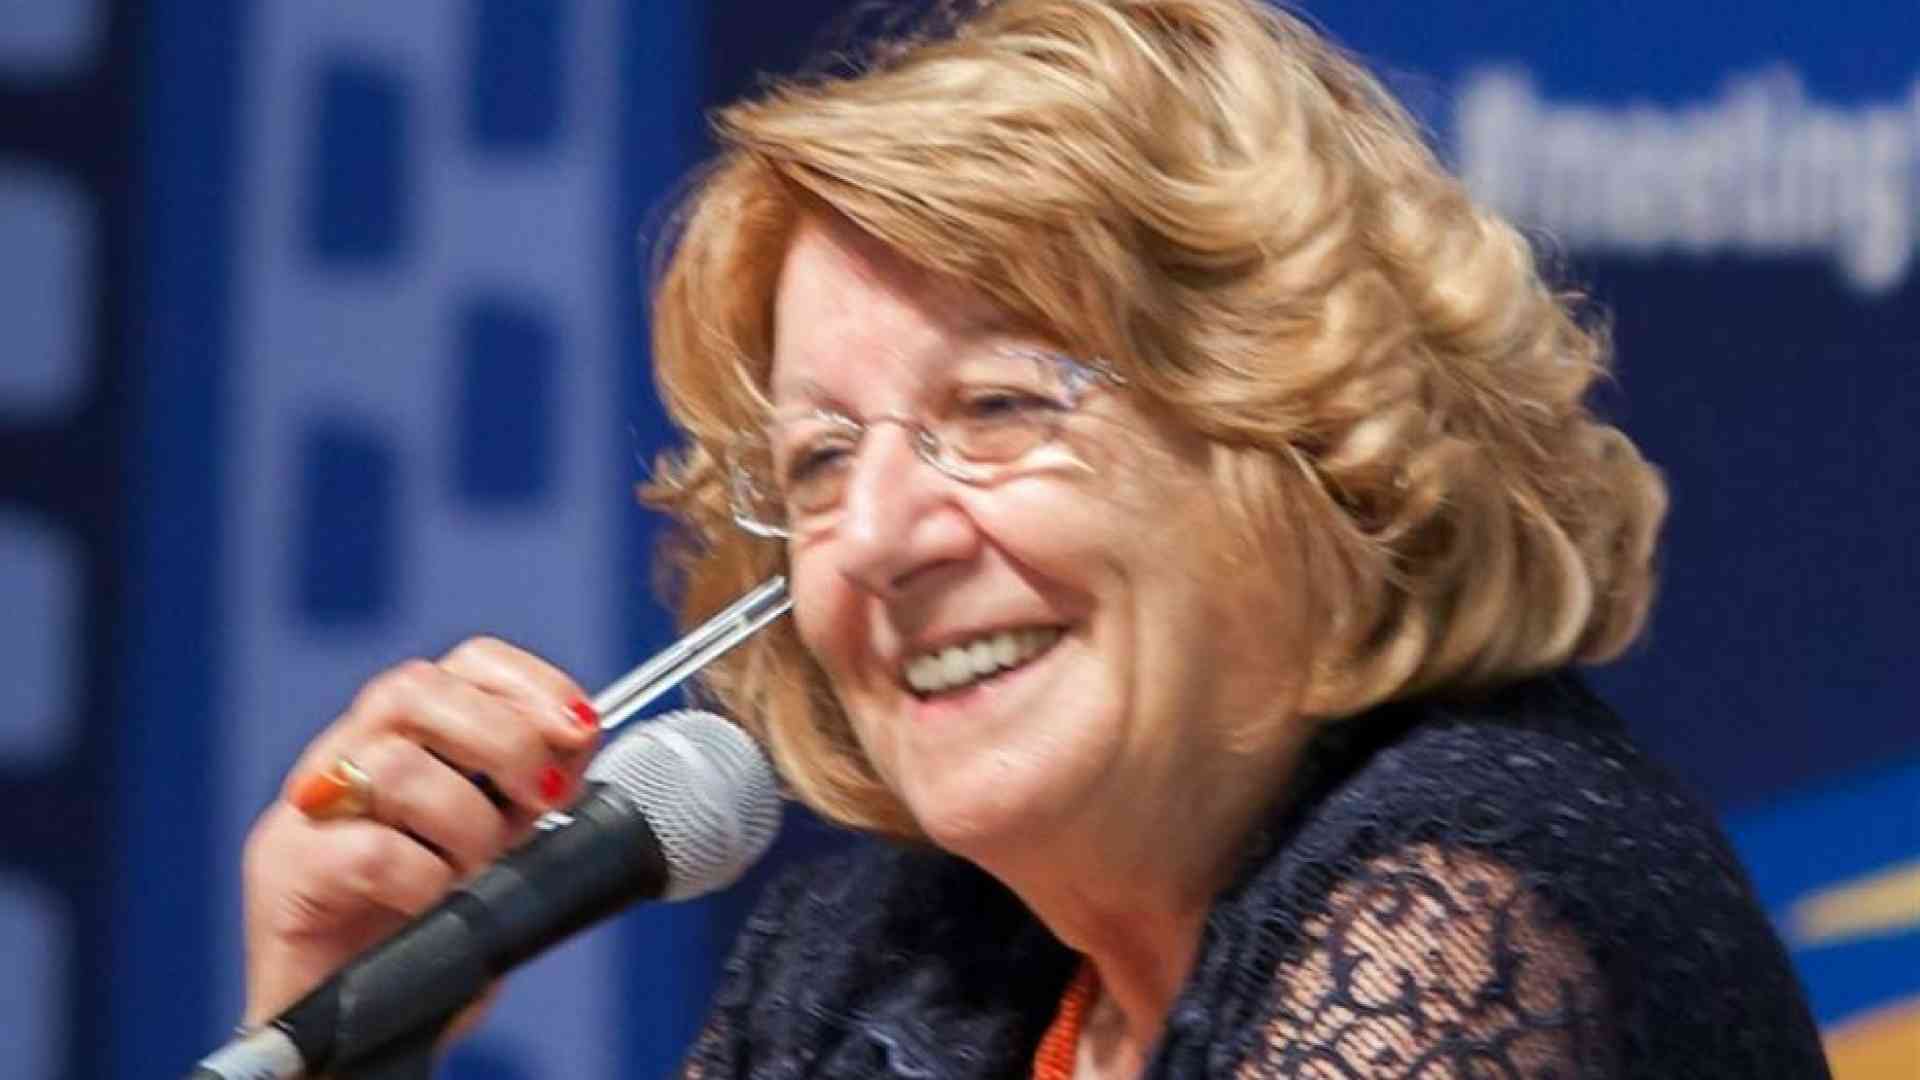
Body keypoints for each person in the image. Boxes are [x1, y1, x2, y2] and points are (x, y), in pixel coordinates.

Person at [239, 0, 1833, 1075]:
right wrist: (344, 1025)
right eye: (819, 458)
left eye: (998, 407)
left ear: (1297, 433)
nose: (877, 536)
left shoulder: (1473, 910)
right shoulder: (873, 967)